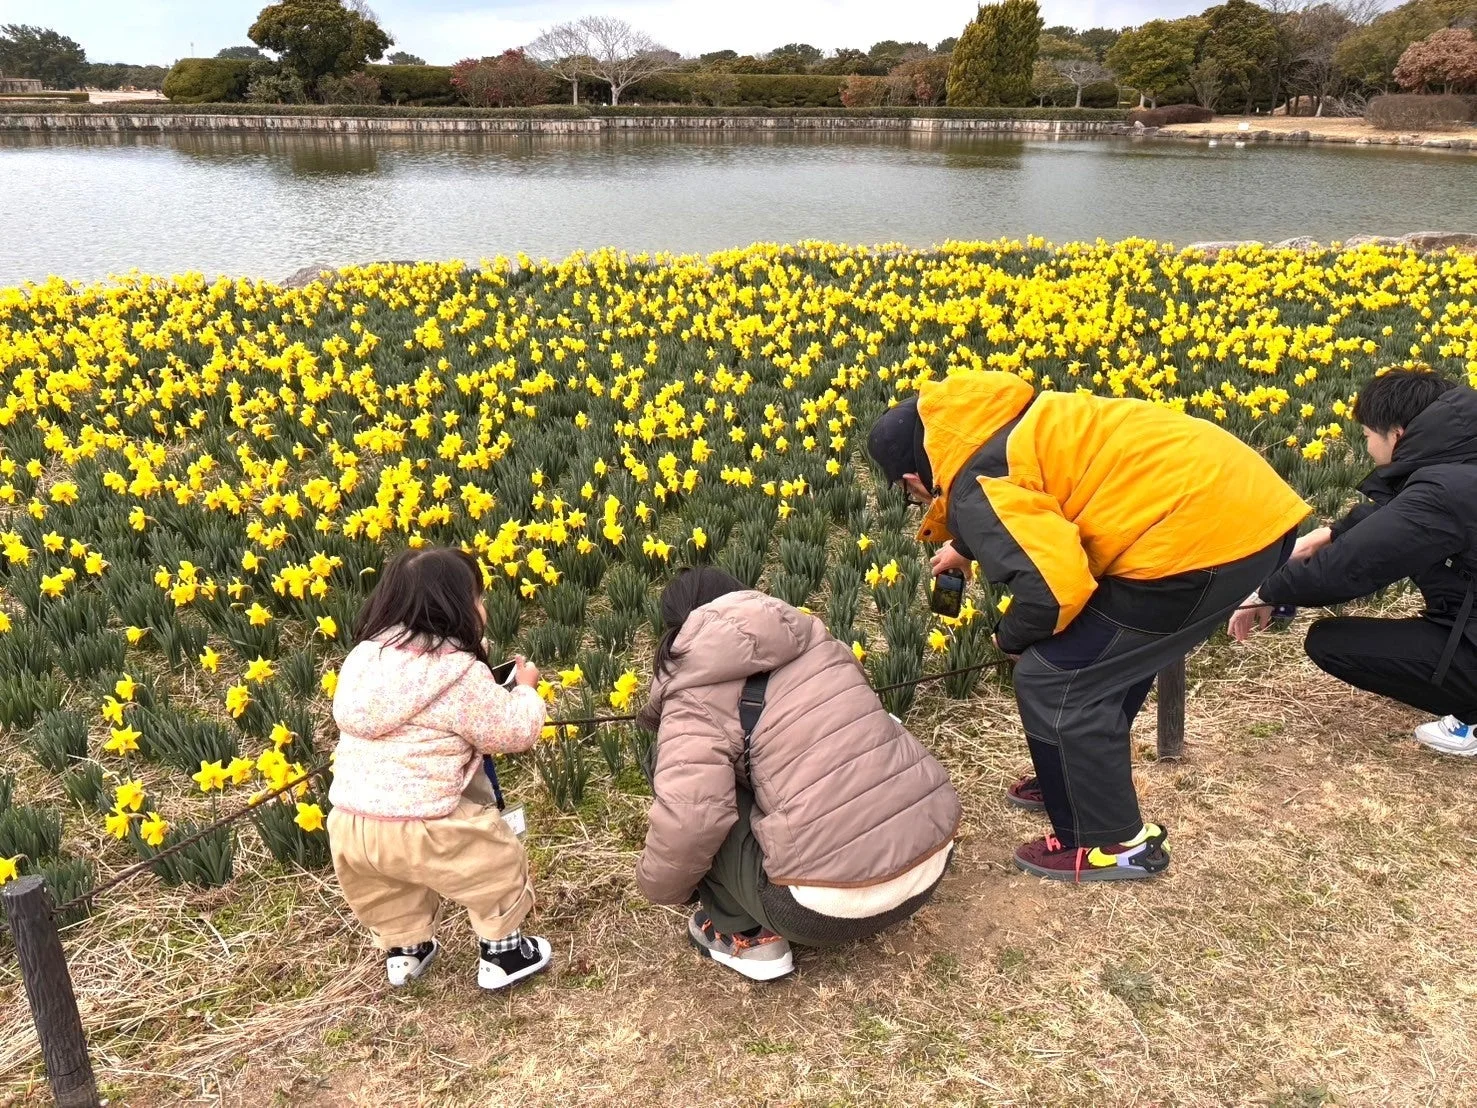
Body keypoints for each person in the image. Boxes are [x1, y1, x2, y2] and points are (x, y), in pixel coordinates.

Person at [866, 370, 1308, 882]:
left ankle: (1111, 842)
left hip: (1197, 547)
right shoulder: (1008, 423)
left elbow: (1054, 589)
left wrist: (1012, 639)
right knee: (1107, 658)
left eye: (912, 496)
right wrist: (967, 545)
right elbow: (1043, 488)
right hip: (1250, 514)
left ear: (913, 479)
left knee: (1053, 676)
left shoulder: (977, 486)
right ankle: (1076, 779)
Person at [634, 567, 961, 981]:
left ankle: (748, 936)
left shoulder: (694, 696)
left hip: (821, 912)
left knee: (696, 798)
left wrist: (663, 889)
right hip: (930, 862)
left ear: (676, 629)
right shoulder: (822, 643)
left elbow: (692, 823)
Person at [327, 547, 554, 991]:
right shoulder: (456, 674)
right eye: (478, 598)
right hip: (429, 823)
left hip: (352, 825)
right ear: (456, 607)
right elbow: (512, 732)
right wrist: (525, 692)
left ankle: (406, 953)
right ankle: (504, 956)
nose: (483, 606)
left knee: (388, 889)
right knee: (494, 866)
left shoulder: (361, 660)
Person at [1232, 367, 1477, 757]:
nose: (1365, 448)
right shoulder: (1462, 462)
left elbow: (1351, 569)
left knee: (1332, 643)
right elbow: (1398, 516)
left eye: (1366, 436)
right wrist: (1326, 534)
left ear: (1397, 433)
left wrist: (1262, 591)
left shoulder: (1444, 491)